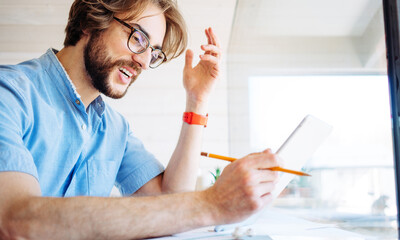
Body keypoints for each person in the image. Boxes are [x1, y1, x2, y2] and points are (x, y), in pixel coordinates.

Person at [0, 0, 280, 239]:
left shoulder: (115, 129)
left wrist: (197, 100)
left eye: (153, 52)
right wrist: (213, 203)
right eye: (138, 39)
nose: (145, 62)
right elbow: (18, 221)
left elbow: (169, 199)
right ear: (91, 21)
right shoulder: (9, 93)